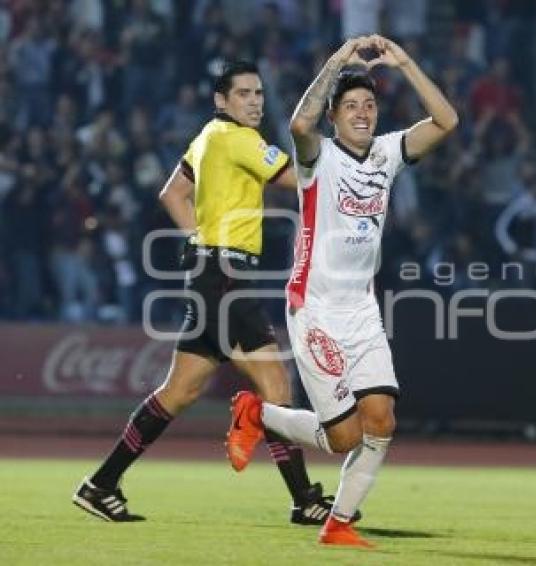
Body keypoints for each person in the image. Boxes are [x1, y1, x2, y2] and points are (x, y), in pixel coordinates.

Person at [73, 61, 341, 525]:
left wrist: (199, 239)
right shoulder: (238, 139)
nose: (255, 101)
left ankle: (100, 484)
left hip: (208, 272)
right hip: (225, 277)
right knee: (275, 387)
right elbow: (300, 180)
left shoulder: (205, 137)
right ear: (222, 101)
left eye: (258, 93)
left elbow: (171, 193)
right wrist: (350, 165)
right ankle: (305, 499)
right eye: (244, 94)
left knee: (179, 391)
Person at [226, 35, 458, 547]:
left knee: (382, 420)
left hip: (362, 311)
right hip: (314, 309)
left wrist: (404, 62)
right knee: (344, 438)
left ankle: (340, 524)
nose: (362, 113)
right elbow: (298, 125)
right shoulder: (318, 157)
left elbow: (446, 122)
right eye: (350, 105)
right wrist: (338, 61)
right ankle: (256, 412)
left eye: (369, 105)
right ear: (335, 115)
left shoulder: (387, 154)